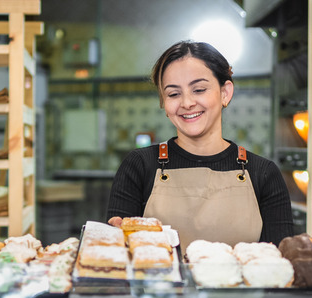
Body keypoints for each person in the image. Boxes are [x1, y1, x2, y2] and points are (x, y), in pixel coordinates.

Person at [107, 40, 294, 248]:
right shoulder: (140, 165)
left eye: (199, 90)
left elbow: (277, 267)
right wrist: (115, 244)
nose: (187, 103)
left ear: (225, 93)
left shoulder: (263, 173)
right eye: (173, 94)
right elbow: (119, 268)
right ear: (163, 102)